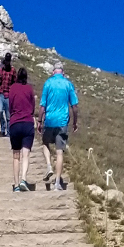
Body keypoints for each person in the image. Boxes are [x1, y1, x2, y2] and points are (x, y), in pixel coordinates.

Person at [39, 62, 79, 190]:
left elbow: (42, 106)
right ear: (63, 72)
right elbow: (74, 106)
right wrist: (75, 122)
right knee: (59, 152)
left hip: (49, 120)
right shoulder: (68, 84)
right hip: (62, 122)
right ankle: (57, 183)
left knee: (45, 143)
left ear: (53, 72)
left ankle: (49, 166)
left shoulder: (48, 83)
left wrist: (40, 120)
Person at [6, 68, 37, 192]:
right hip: (27, 123)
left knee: (15, 156)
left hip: (15, 123)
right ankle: (24, 178)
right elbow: (33, 106)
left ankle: (17, 184)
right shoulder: (29, 88)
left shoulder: (12, 88)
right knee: (26, 154)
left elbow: (10, 105)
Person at [0, 53, 16, 137]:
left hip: (9, 94)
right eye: (6, 61)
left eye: (8, 61)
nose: (7, 63)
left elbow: (15, 82)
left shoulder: (13, 71)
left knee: (8, 115)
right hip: (1, 94)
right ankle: (3, 128)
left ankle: (8, 132)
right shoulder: (0, 70)